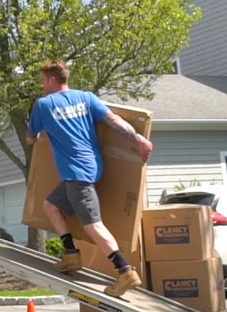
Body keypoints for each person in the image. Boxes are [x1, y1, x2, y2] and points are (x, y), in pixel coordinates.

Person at [26, 60, 153, 297]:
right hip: (92, 168)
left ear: (52, 80)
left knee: (93, 225)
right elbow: (114, 121)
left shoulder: (43, 105)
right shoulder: (87, 98)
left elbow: (30, 137)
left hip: (77, 174)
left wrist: (35, 135)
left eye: (43, 80)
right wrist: (138, 139)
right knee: (51, 206)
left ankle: (125, 271)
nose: (42, 85)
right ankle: (71, 255)